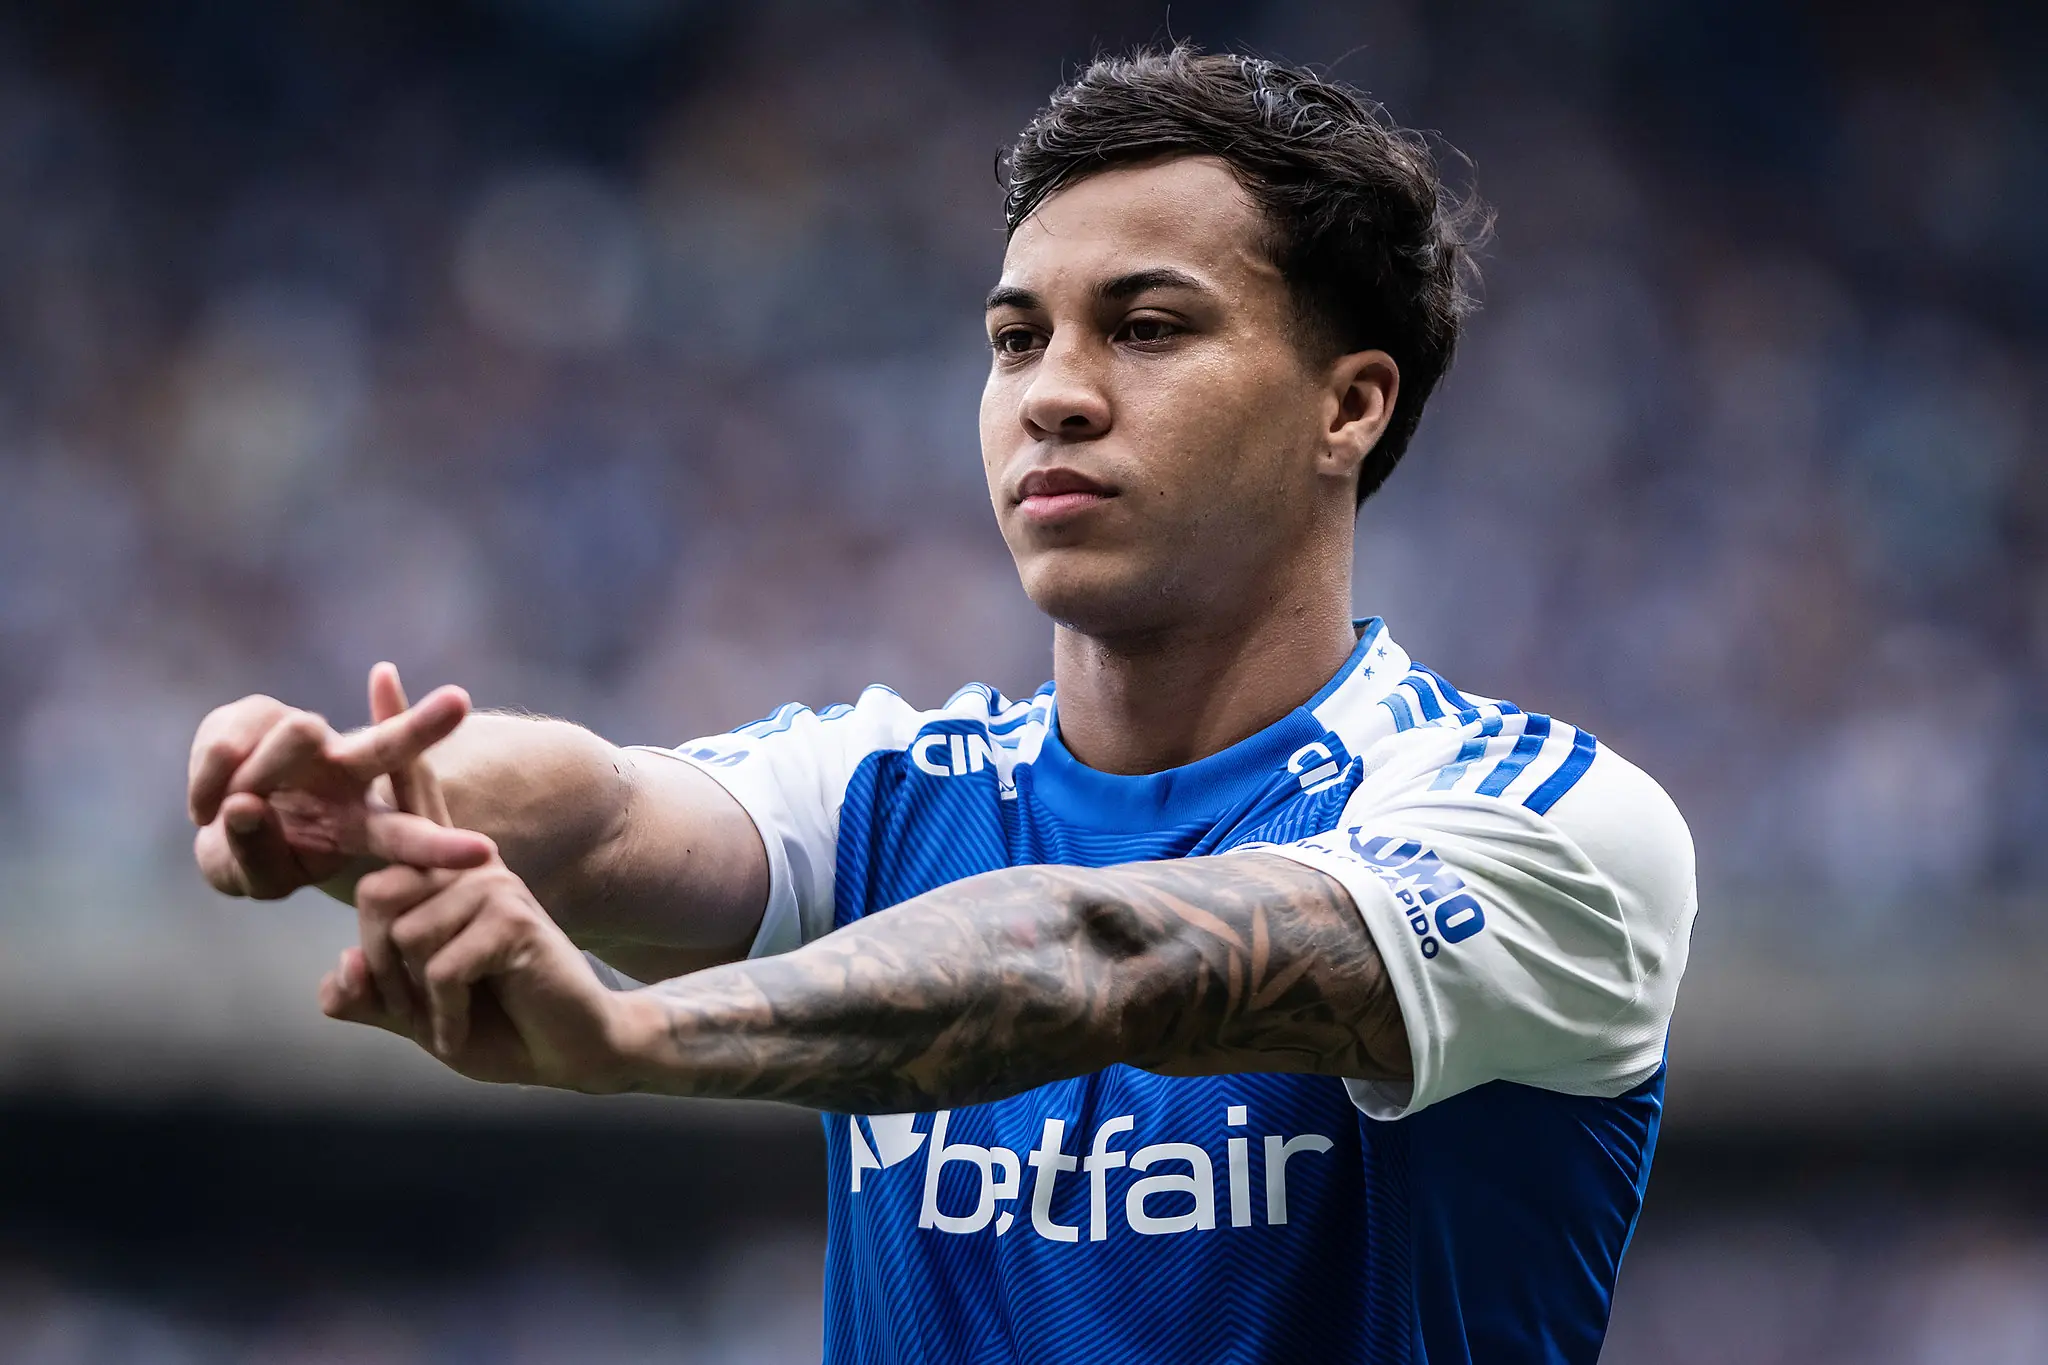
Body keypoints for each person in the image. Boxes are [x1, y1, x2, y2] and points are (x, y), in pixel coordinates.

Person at [186, 46, 1694, 1365]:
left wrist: (642, 1036)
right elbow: (607, 810)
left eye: (1148, 328)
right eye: (1017, 338)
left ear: (1349, 404)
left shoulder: (1546, 828)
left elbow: (1106, 956)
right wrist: (388, 806)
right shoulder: (893, 789)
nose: (1053, 392)